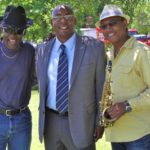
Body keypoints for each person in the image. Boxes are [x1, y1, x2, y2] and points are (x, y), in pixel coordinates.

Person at [36, 4, 106, 150]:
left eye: (68, 17)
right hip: (51, 124)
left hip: (82, 124)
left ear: (74, 21)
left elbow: (101, 89)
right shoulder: (42, 50)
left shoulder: (94, 48)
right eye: (58, 18)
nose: (63, 21)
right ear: (52, 23)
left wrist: (100, 121)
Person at [98, 4, 150, 150]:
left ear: (125, 23)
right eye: (104, 26)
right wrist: (102, 122)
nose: (108, 29)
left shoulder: (142, 52)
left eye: (112, 23)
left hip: (140, 134)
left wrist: (127, 105)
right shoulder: (109, 54)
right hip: (116, 133)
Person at [0, 5, 35, 150]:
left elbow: (37, 77)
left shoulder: (30, 51)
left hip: (22, 120)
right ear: (2, 28)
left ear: (24, 31)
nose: (13, 36)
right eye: (8, 30)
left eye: (19, 31)